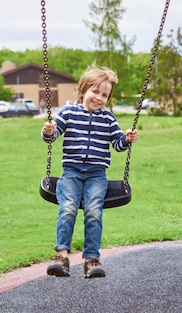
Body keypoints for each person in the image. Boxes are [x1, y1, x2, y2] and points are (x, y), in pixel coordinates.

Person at [41, 64, 138, 278]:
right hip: (71, 172)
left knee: (94, 212)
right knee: (68, 208)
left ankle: (91, 260)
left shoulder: (108, 119)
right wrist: (48, 131)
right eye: (95, 91)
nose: (99, 97)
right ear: (83, 90)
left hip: (96, 175)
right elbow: (53, 134)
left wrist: (127, 139)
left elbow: (118, 145)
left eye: (104, 95)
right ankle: (62, 256)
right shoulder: (68, 112)